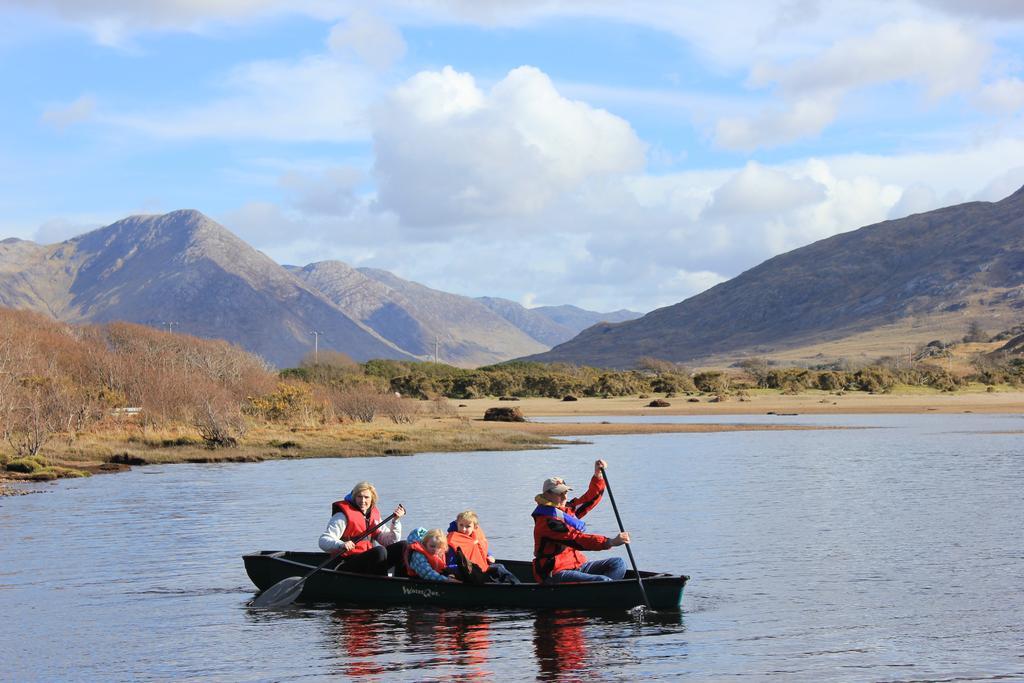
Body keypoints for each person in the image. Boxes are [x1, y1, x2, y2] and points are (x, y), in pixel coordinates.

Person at [531, 459, 630, 583]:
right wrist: (609, 542)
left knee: (619, 563)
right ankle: (605, 593)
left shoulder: (567, 510)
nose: (564, 496)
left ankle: (603, 593)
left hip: (578, 565)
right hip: (556, 572)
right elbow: (577, 539)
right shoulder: (546, 523)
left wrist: (598, 475)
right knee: (602, 580)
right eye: (559, 493)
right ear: (547, 495)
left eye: (566, 492)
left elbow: (590, 499)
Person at [319, 481, 406, 575]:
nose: (363, 501)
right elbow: (323, 541)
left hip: (368, 560)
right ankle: (381, 585)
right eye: (359, 496)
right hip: (346, 562)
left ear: (372, 499)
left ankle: (402, 583)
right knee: (380, 551)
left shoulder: (373, 515)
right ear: (354, 497)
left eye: (366, 497)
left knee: (403, 546)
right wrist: (341, 544)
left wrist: (395, 521)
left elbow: (389, 541)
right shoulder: (342, 516)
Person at [446, 510, 521, 585]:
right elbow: (450, 564)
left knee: (499, 567)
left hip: (480, 568)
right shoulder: (453, 540)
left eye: (468, 526)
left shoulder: (475, 537)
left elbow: (482, 549)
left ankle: (516, 585)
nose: (463, 529)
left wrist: (489, 555)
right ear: (457, 524)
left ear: (475, 527)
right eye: (461, 525)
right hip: (465, 570)